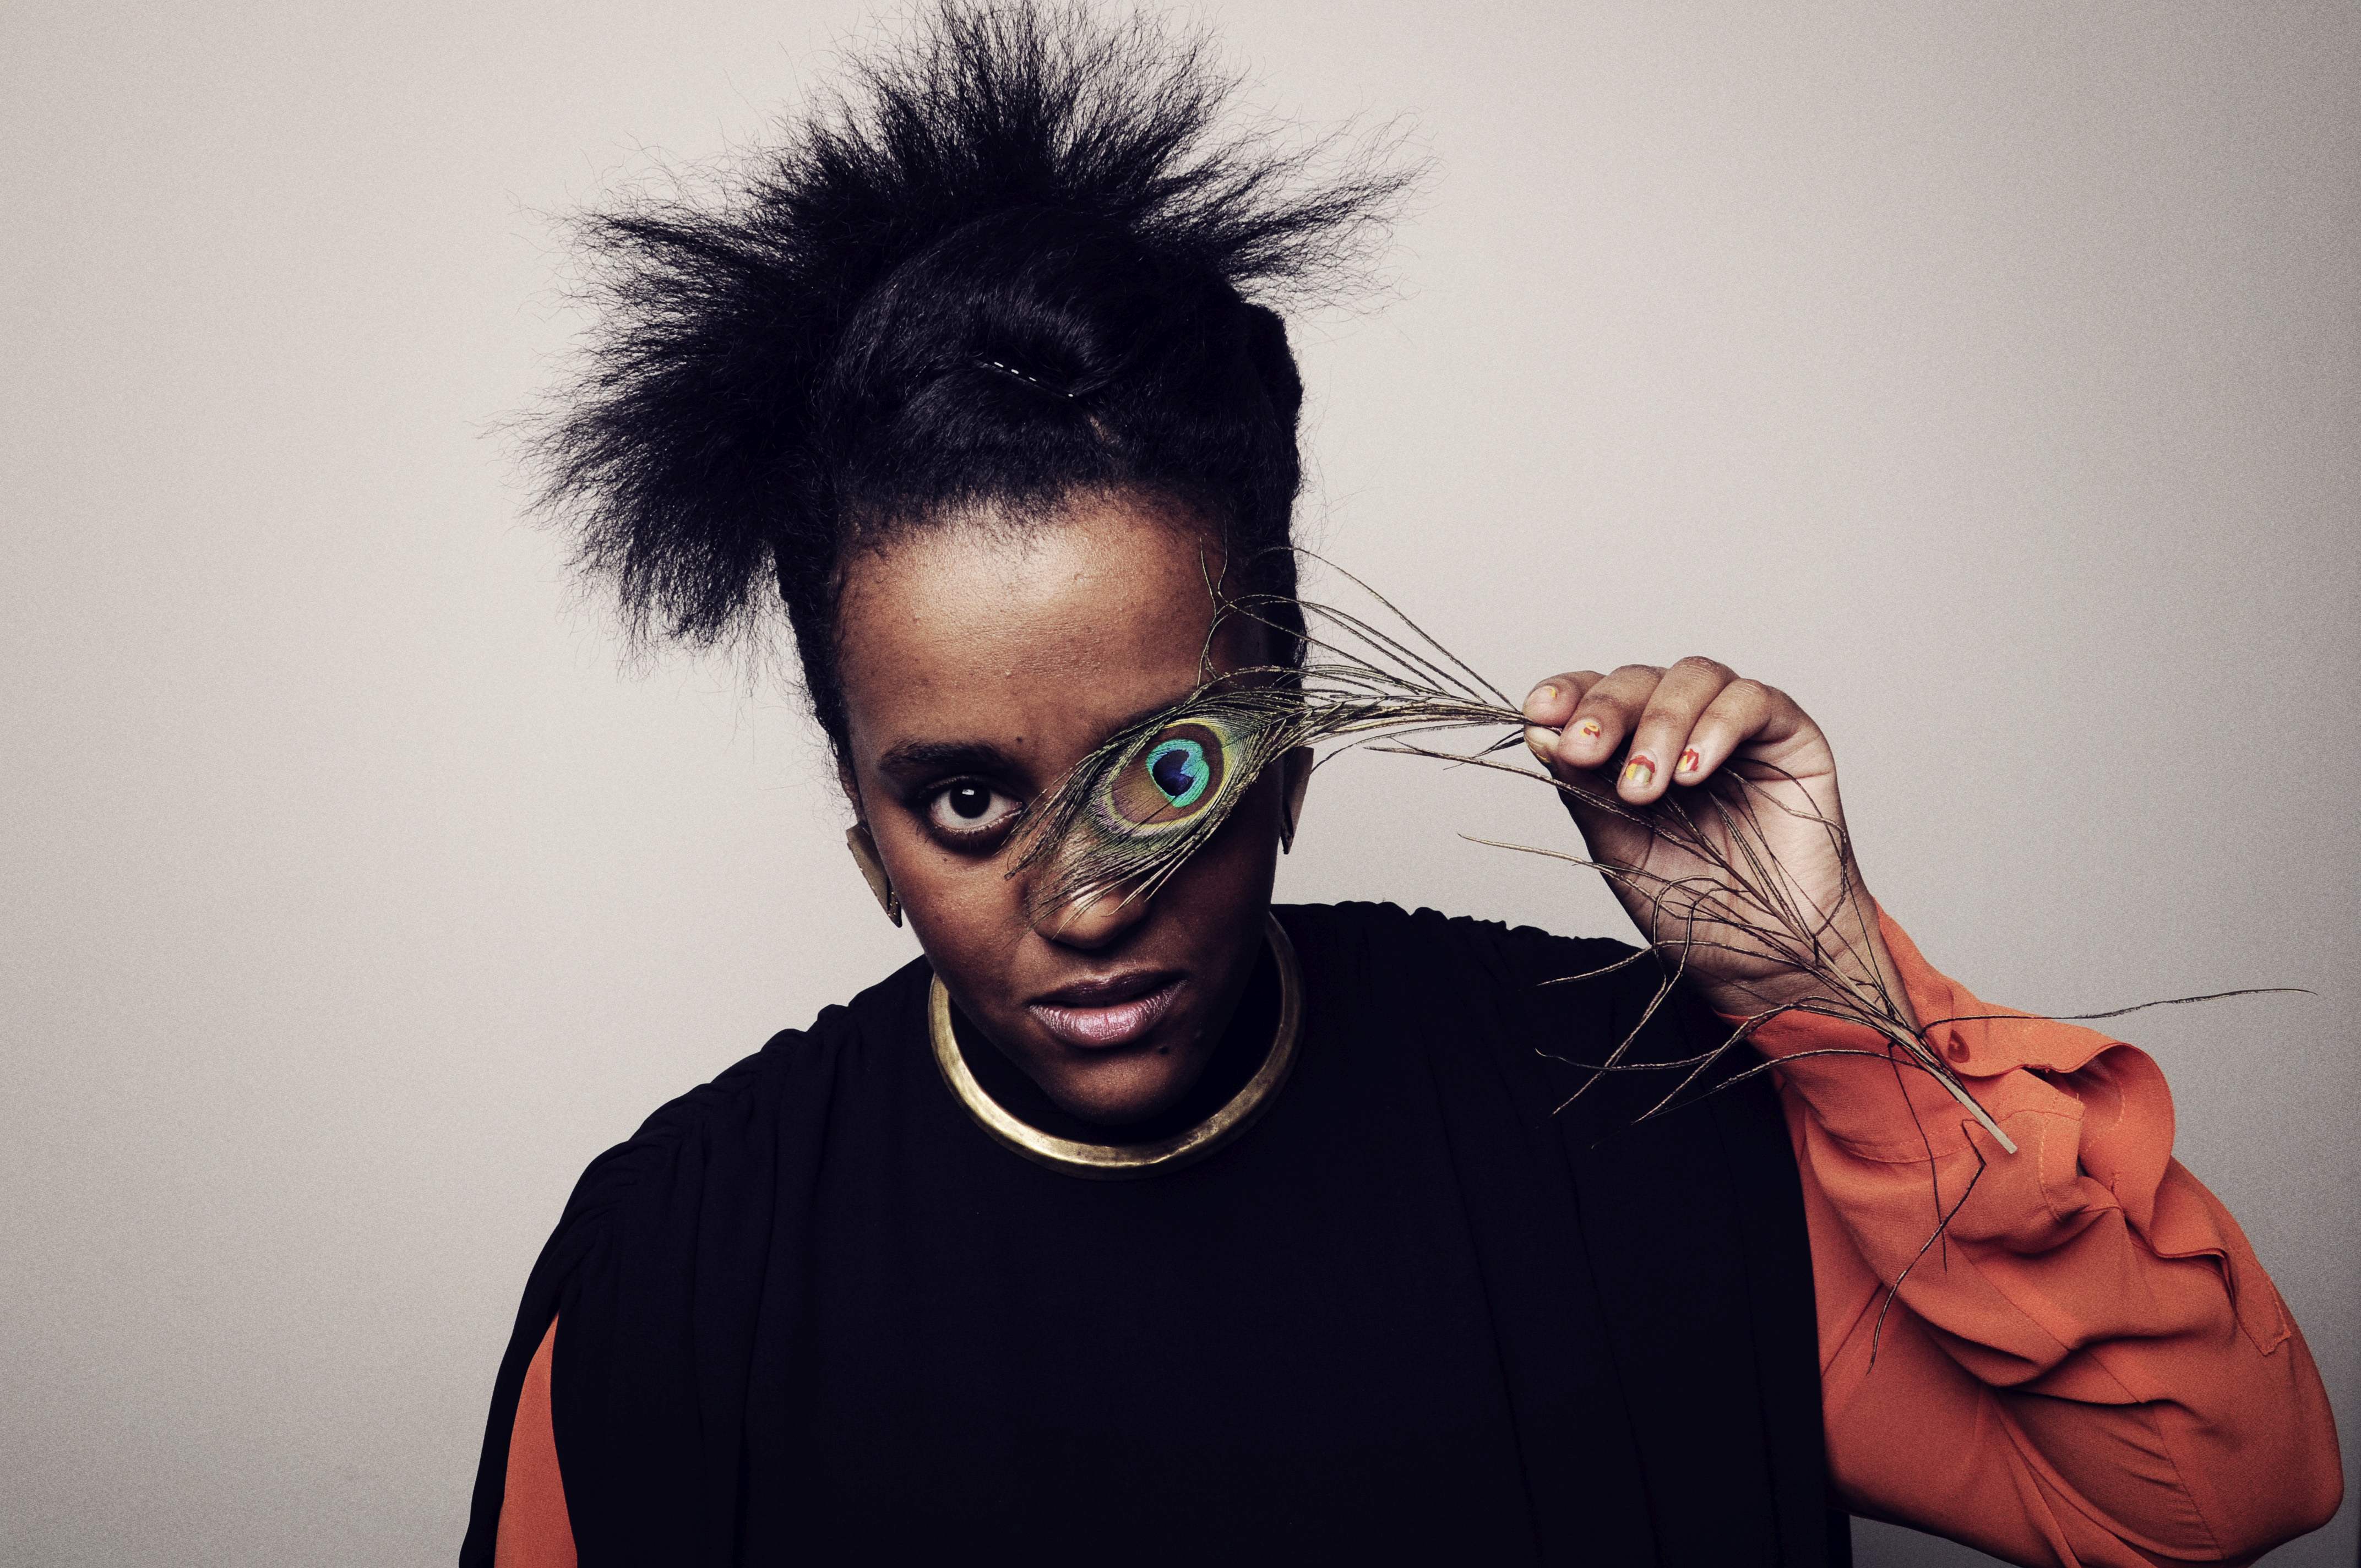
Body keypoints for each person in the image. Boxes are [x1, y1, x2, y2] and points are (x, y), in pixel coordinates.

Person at [460, 7, 2341, 1564]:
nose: (1089, 900)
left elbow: (2209, 1484)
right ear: (862, 828)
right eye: (963, 804)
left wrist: (1818, 984)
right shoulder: (681, 1274)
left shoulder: (1632, 1118)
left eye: (1169, 766)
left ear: (1290, 738)